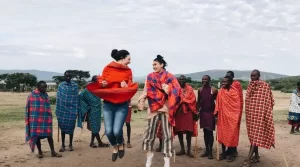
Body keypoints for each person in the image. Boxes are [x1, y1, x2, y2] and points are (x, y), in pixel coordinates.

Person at [86, 49, 138, 162]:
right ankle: (115, 147)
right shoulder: (107, 68)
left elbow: (129, 86)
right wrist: (102, 83)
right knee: (109, 131)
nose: (130, 61)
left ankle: (121, 144)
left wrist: (126, 88)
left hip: (122, 104)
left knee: (116, 130)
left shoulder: (128, 71)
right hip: (108, 104)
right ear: (122, 58)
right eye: (128, 59)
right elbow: (101, 81)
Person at [139, 55, 181, 167]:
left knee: (167, 134)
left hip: (166, 108)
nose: (153, 67)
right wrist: (141, 100)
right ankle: (149, 155)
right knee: (149, 133)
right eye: (152, 65)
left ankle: (167, 161)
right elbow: (146, 90)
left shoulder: (170, 77)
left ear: (161, 64)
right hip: (153, 107)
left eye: (155, 64)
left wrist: (168, 89)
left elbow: (177, 91)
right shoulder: (149, 76)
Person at [240, 70, 275, 167]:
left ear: (259, 76)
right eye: (251, 76)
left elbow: (270, 100)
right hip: (251, 115)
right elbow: (248, 100)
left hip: (260, 115)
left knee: (255, 135)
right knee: (252, 136)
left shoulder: (265, 86)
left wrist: (266, 112)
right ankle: (257, 156)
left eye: (254, 76)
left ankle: (248, 159)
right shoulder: (250, 86)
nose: (252, 77)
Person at [25, 81, 62, 158]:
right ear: (38, 87)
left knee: (49, 135)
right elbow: (29, 109)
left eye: (45, 87)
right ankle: (40, 152)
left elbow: (47, 107)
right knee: (37, 135)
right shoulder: (32, 96)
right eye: (43, 87)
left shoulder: (46, 95)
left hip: (46, 119)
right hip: (35, 119)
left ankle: (53, 151)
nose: (45, 89)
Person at [214, 77, 242, 162]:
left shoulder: (235, 92)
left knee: (231, 135)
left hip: (232, 118)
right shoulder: (221, 91)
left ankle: (231, 153)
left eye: (225, 82)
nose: (223, 83)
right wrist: (216, 115)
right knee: (222, 135)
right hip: (222, 117)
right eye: (222, 82)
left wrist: (234, 116)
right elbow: (218, 104)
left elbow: (237, 106)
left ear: (230, 82)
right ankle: (223, 152)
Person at [77, 76, 109, 148]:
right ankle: (99, 142)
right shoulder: (88, 89)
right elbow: (80, 96)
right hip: (92, 110)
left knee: (96, 127)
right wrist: (86, 106)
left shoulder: (97, 88)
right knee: (95, 127)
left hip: (98, 110)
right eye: (98, 81)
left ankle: (92, 142)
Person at [175, 75, 198, 158]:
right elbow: (173, 99)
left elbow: (193, 100)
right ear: (178, 80)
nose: (181, 80)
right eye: (180, 79)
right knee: (179, 131)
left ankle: (188, 150)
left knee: (189, 131)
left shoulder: (190, 89)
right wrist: (179, 101)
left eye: (183, 79)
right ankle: (182, 149)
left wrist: (183, 100)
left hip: (188, 112)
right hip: (178, 112)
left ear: (185, 80)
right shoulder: (176, 88)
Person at [56, 71, 79, 152]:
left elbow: (76, 99)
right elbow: (59, 98)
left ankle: (70, 144)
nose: (68, 78)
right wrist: (57, 111)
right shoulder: (61, 86)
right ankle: (63, 145)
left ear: (71, 77)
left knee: (71, 128)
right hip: (62, 110)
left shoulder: (75, 86)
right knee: (63, 128)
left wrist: (76, 111)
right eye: (66, 76)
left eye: (69, 76)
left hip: (72, 111)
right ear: (64, 77)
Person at [197, 75, 218, 159]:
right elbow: (198, 101)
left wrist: (216, 114)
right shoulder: (200, 90)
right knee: (205, 132)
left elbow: (218, 102)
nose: (204, 81)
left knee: (210, 132)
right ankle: (206, 150)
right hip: (203, 113)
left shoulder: (214, 90)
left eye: (206, 79)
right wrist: (197, 111)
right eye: (203, 79)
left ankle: (210, 151)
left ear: (209, 80)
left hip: (210, 113)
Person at [225, 71, 244, 157]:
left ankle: (234, 151)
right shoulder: (226, 86)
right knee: (228, 131)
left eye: (229, 76)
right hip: (227, 113)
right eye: (226, 76)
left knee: (234, 132)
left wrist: (237, 112)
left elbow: (239, 99)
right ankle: (229, 149)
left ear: (233, 76)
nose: (228, 78)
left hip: (235, 113)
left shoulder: (236, 85)